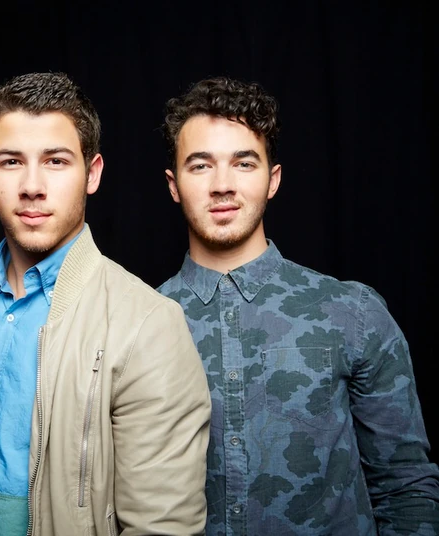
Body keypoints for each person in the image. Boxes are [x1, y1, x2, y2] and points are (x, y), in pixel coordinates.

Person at [0, 71, 211, 536]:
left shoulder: (149, 324)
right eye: (11, 162)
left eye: (55, 161)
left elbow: (163, 526)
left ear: (92, 173)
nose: (32, 185)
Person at [157, 76, 439, 534]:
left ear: (273, 179)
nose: (223, 185)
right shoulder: (140, 321)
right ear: (174, 185)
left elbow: (405, 486)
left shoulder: (352, 312)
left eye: (244, 163)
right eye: (201, 166)